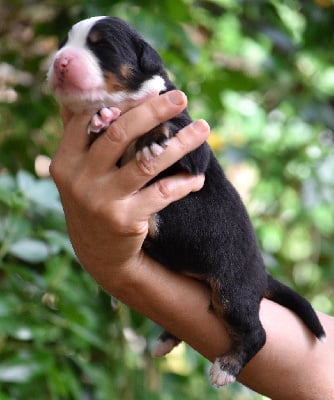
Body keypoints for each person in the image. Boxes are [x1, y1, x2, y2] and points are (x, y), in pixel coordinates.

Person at [50, 90, 334, 400]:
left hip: (225, 266)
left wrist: (122, 273)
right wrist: (122, 270)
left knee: (233, 307)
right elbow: (323, 365)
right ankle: (178, 329)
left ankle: (245, 345)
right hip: (191, 250)